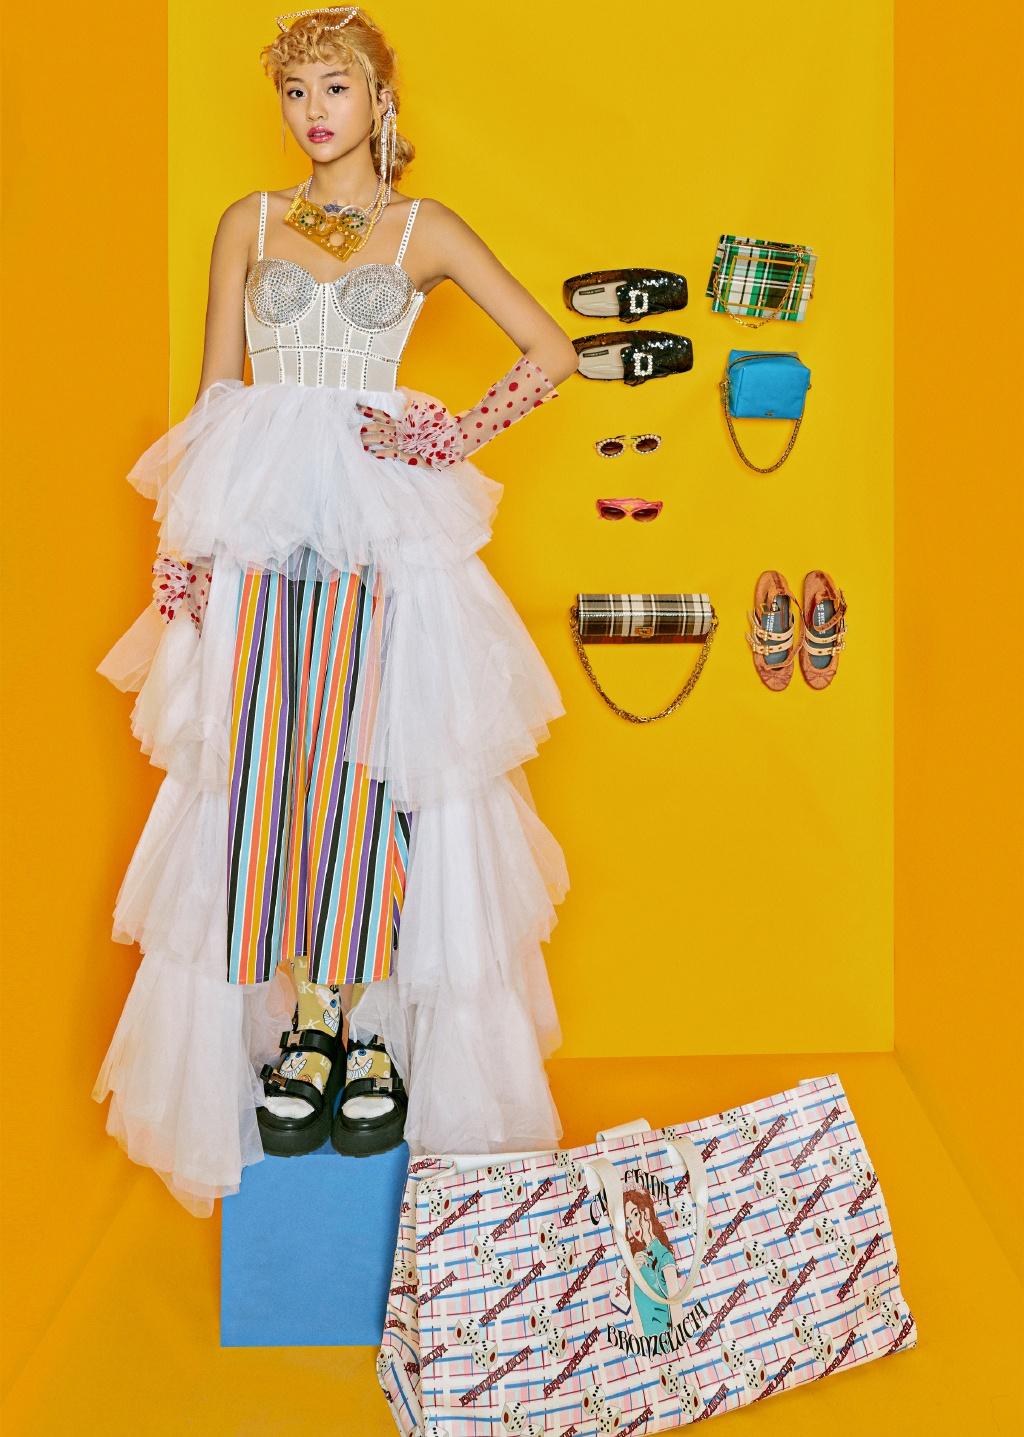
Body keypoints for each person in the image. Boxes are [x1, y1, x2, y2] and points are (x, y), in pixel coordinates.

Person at [93, 5, 578, 1215]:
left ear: (380, 101)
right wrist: (181, 550)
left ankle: (365, 1029)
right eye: (296, 90)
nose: (314, 112)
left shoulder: (423, 228)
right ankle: (303, 1020)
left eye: (336, 88)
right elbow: (216, 392)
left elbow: (549, 351)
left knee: (373, 766)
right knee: (268, 763)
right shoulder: (248, 220)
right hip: (259, 516)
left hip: (376, 521)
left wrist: (448, 437)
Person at [624, 1191, 679, 1337]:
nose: (634, 1225)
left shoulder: (664, 1257)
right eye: (628, 1221)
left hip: (667, 1342)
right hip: (647, 1345)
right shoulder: (638, 1260)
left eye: (636, 1214)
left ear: (647, 1212)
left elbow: (677, 1312)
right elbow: (636, 1312)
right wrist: (632, 1275)